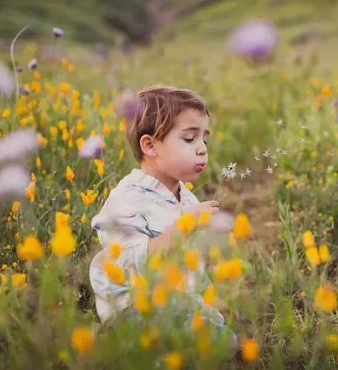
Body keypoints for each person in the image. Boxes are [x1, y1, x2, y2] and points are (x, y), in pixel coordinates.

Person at [88, 85, 236, 348]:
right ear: (150, 145)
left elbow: (192, 267)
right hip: (135, 311)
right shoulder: (127, 199)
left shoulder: (187, 199)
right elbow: (130, 264)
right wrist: (186, 226)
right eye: (190, 139)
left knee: (225, 340)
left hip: (178, 307)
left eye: (205, 139)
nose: (202, 149)